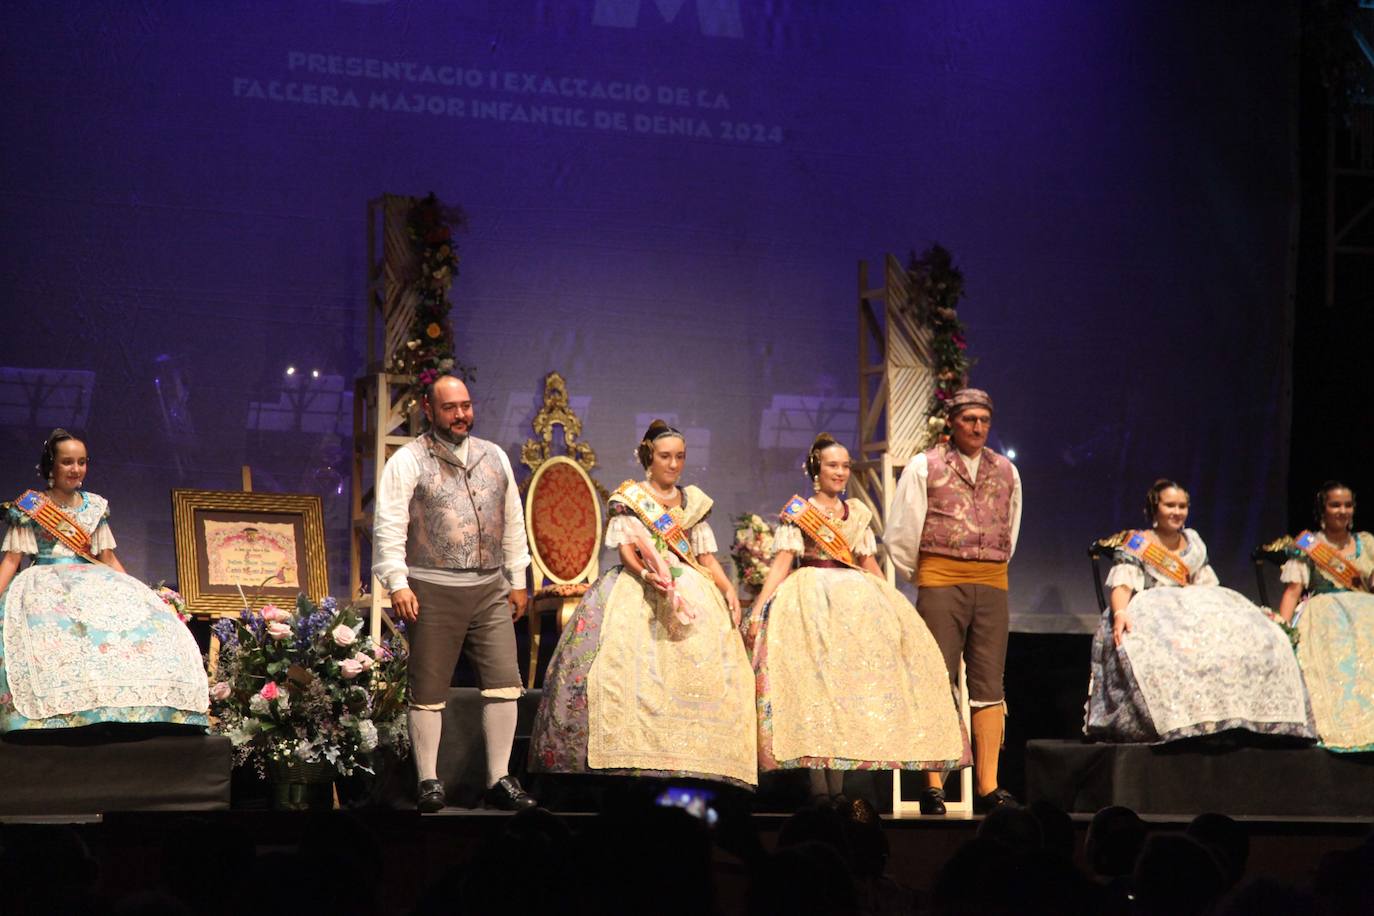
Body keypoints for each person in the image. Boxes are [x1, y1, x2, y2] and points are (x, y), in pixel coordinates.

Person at [529, 420, 757, 787]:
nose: (673, 464)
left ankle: (695, 753)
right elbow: (626, 550)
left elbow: (705, 557)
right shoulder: (632, 498)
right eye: (665, 456)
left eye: (680, 457)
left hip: (689, 587)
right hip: (638, 586)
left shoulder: (693, 502)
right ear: (649, 457)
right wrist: (647, 574)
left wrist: (728, 588)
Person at [742, 433, 965, 805]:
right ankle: (819, 789)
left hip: (853, 607)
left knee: (843, 694)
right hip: (810, 601)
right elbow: (782, 563)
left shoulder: (857, 513)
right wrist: (760, 605)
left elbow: (867, 563)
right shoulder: (799, 512)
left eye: (845, 466)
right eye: (833, 465)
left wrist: (895, 605)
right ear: (816, 469)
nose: (841, 472)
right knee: (815, 692)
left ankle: (839, 790)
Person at [372, 375, 536, 811]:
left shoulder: (494, 456)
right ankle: (428, 779)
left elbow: (513, 520)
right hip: (433, 588)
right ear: (429, 410)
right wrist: (397, 582)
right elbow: (389, 525)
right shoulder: (408, 460)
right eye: (450, 407)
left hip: (490, 588)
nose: (461, 414)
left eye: (465, 405)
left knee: (505, 683)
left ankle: (499, 778)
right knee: (428, 688)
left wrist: (518, 579)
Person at [0, 429, 208, 732]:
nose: (76, 469)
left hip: (93, 581)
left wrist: (141, 596)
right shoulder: (31, 506)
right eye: (67, 462)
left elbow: (107, 558)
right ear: (51, 466)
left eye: (82, 462)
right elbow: (11, 560)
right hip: (43, 583)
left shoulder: (95, 506)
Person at [1083, 479, 1312, 744]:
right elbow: (1123, 584)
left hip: (1192, 605)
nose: (1177, 511)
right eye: (1170, 505)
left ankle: (1232, 719)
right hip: (1154, 608)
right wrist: (1120, 613)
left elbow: (1206, 584)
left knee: (1248, 638)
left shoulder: (1193, 542)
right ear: (1155, 508)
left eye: (1182, 506)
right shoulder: (1138, 543)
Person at [886, 388, 1021, 814]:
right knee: (937, 677)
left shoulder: (1007, 470)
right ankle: (933, 784)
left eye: (984, 420)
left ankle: (989, 784)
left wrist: (989, 566)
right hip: (942, 580)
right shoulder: (925, 465)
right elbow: (902, 531)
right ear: (952, 422)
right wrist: (929, 575)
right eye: (969, 419)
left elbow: (1011, 527)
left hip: (991, 583)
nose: (978, 427)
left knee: (989, 683)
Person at [1275, 481, 1374, 751]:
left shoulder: (1367, 544)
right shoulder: (1309, 545)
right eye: (1335, 505)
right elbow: (1293, 592)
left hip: (1366, 610)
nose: (1342, 510)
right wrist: (1282, 630)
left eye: (1348, 505)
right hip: (1325, 612)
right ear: (1323, 509)